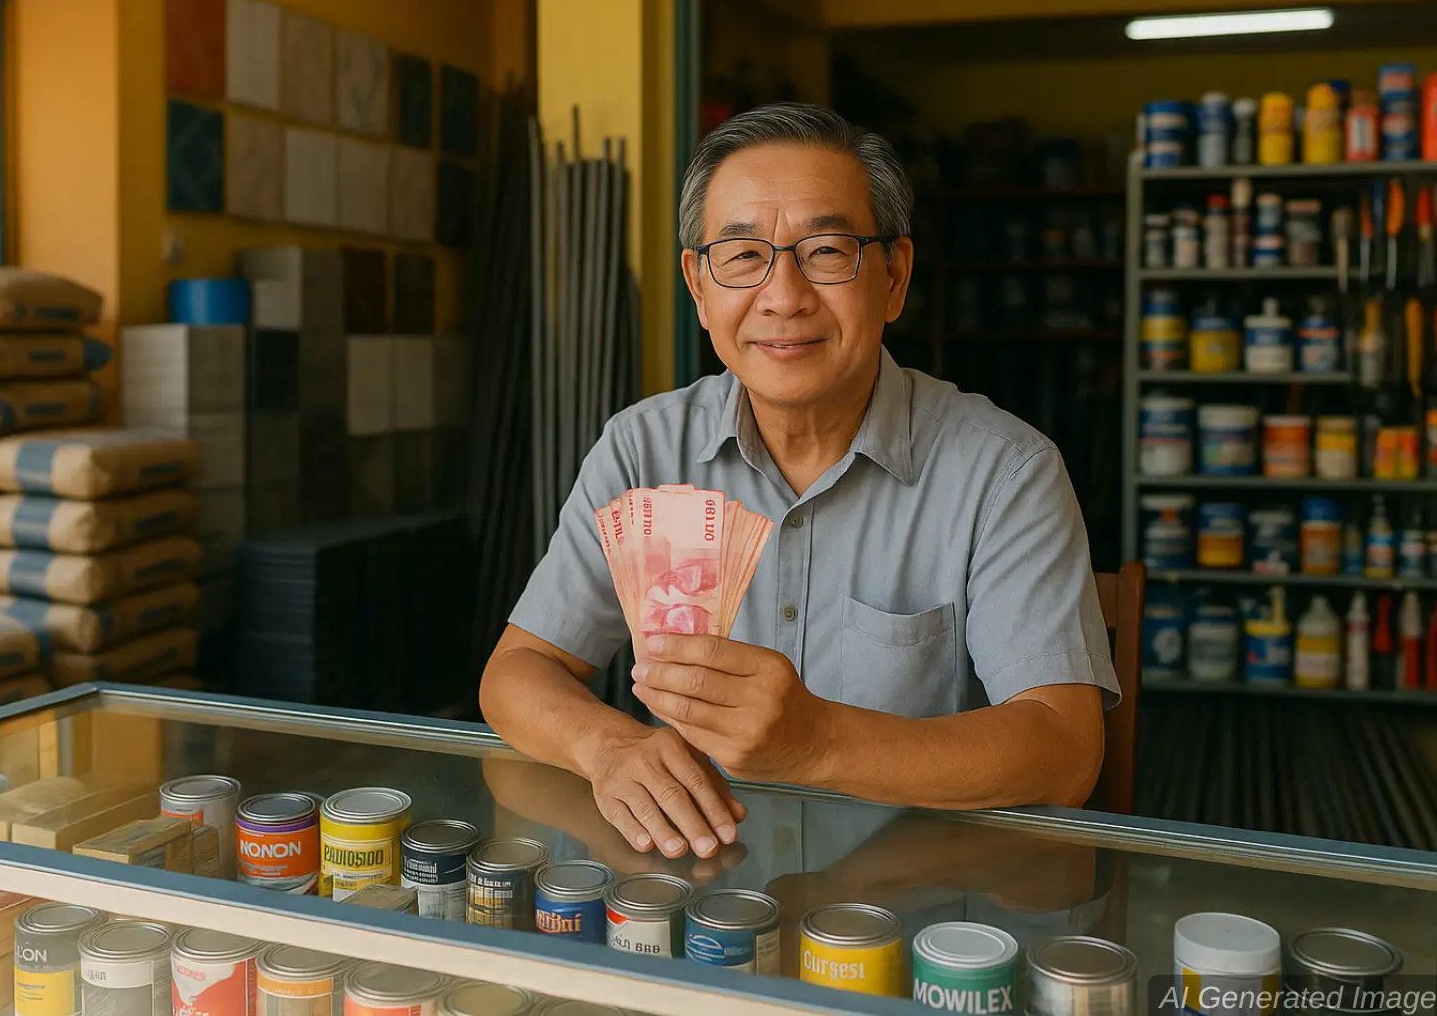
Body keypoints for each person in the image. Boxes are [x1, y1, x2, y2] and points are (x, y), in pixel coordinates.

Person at [479, 102, 1118, 865]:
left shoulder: (1004, 471)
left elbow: (1066, 750)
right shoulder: (642, 451)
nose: (784, 297)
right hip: (697, 898)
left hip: (918, 911)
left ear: (894, 277)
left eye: (825, 250)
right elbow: (516, 673)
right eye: (743, 256)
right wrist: (609, 744)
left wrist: (817, 742)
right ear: (699, 287)